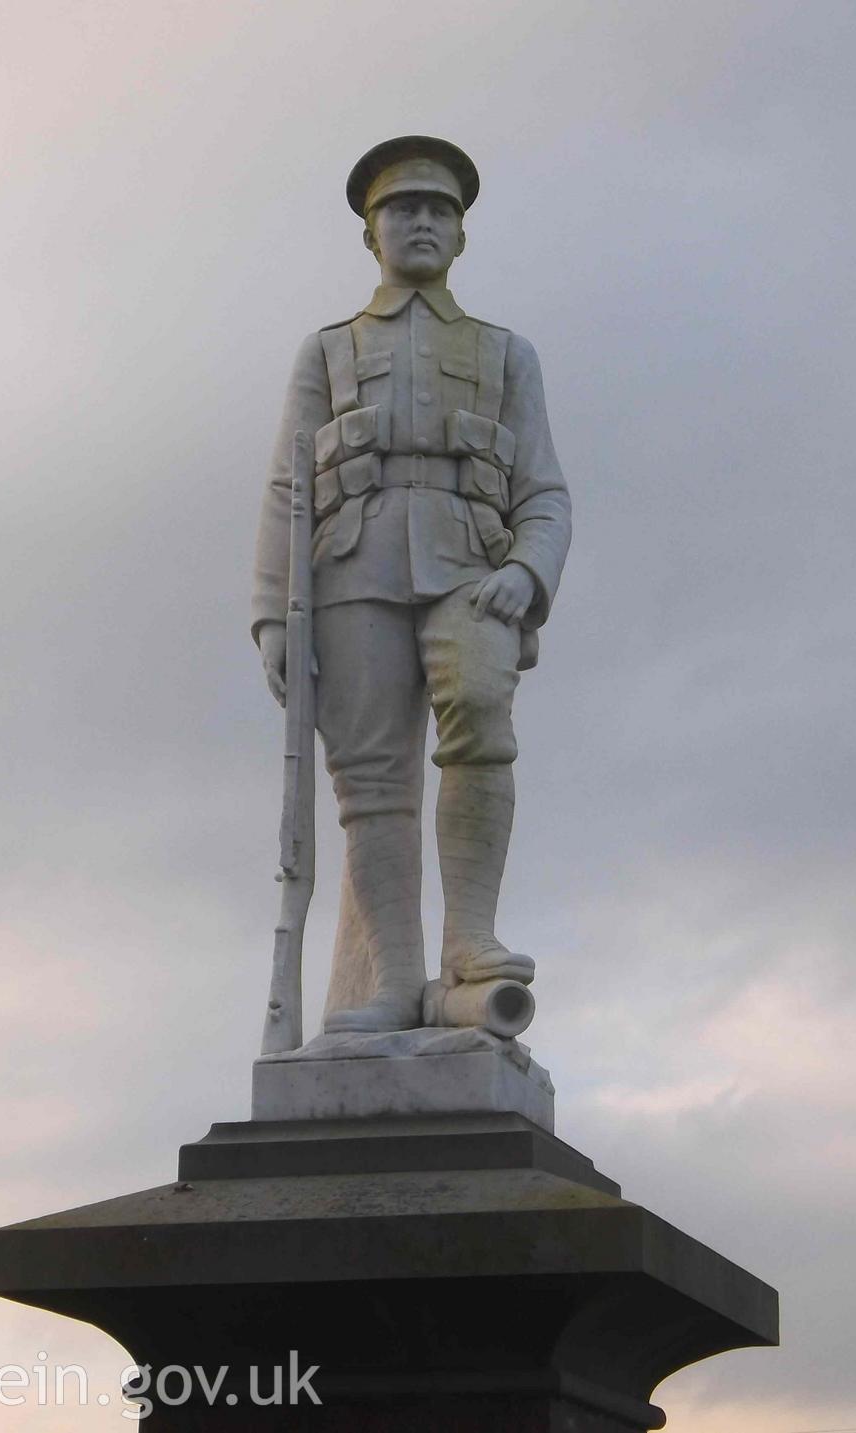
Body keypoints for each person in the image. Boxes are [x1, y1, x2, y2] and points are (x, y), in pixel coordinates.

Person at [250, 136, 571, 1034]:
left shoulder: (509, 354)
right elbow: (288, 484)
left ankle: (471, 944)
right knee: (370, 780)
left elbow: (544, 488)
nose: (422, 222)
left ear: (462, 237)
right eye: (403, 209)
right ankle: (393, 981)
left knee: (480, 716)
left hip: (472, 567)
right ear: (372, 235)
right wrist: (276, 614)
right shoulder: (326, 351)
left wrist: (526, 571)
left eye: (440, 210)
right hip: (351, 569)